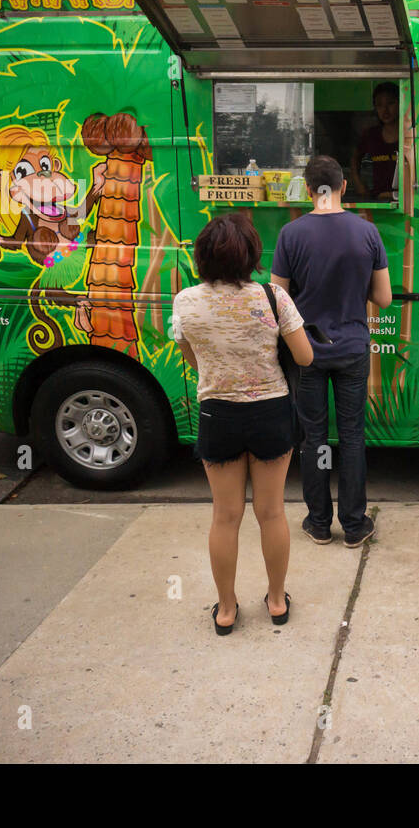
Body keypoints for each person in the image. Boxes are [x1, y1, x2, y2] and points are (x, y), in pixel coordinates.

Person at [171, 214, 314, 634]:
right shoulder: (273, 297)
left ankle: (227, 610)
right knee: (271, 513)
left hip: (218, 414)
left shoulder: (185, 302)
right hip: (271, 414)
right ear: (251, 253)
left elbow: (193, 357)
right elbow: (304, 357)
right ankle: (274, 601)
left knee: (225, 516)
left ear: (202, 256)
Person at [271, 155, 392, 547]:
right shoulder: (366, 232)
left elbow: (279, 300)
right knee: (353, 436)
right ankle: (355, 526)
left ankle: (319, 523)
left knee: (315, 438)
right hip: (353, 348)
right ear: (342, 187)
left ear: (309, 190)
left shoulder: (291, 235)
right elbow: (385, 299)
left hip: (307, 352)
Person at [350, 82, 399, 200]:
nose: (385, 110)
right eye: (379, 105)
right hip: (377, 201)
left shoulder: (410, 135)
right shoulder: (371, 135)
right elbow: (355, 159)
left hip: (405, 201)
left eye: (390, 103)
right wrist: (359, 185)